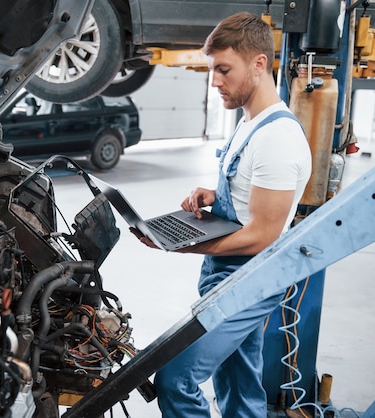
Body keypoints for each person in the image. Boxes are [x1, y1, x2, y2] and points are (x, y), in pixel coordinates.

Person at [132, 12, 312, 418]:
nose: (214, 81)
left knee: (175, 378)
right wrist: (216, 194)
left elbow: (263, 234)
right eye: (213, 69)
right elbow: (253, 195)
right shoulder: (251, 123)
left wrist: (183, 245)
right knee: (238, 383)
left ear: (259, 64)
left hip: (247, 281)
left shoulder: (278, 138)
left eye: (223, 69)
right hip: (226, 274)